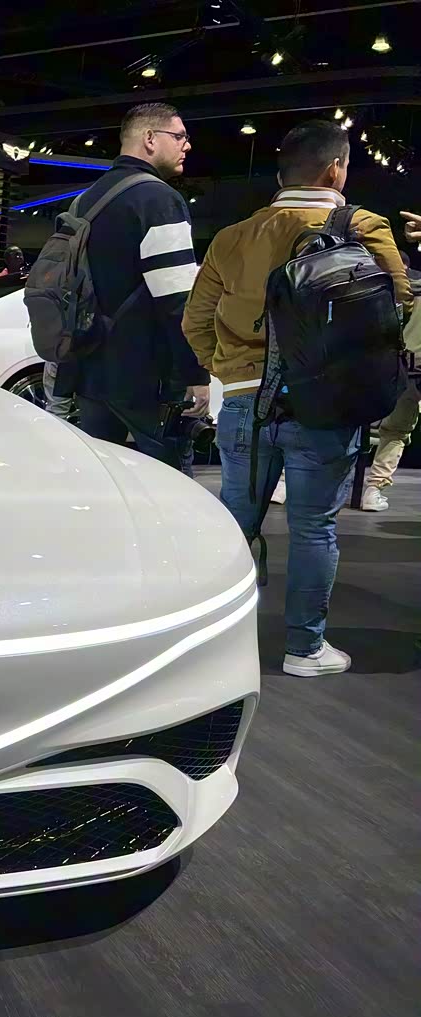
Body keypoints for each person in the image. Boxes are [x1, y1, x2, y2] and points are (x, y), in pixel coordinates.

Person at [183, 119, 412, 677]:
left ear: (283, 172)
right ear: (336, 169)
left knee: (236, 524)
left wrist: (234, 373)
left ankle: (210, 649)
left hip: (245, 402)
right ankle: (304, 650)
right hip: (326, 403)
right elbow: (398, 303)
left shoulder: (232, 236)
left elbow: (195, 321)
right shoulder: (364, 227)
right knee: (314, 528)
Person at [50, 103, 210, 475]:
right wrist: (194, 374)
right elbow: (177, 300)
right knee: (170, 487)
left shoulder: (85, 201)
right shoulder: (159, 200)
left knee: (103, 482)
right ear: (150, 139)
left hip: (89, 370)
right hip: (147, 377)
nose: (187, 145)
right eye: (180, 136)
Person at [360, 266, 421, 511]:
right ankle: (374, 488)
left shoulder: (397, 285)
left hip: (399, 363)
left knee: (392, 429)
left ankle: (373, 489)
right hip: (408, 364)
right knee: (395, 430)